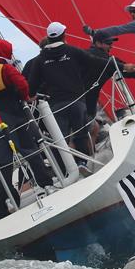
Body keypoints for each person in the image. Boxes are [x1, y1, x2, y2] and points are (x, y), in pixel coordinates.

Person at [0, 39, 53, 222]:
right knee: (30, 151)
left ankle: (5, 201)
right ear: (7, 51)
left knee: (4, 161)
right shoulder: (7, 69)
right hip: (16, 116)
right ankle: (47, 184)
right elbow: (23, 86)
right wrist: (25, 97)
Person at [27, 22, 99, 170]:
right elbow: (92, 62)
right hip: (71, 101)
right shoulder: (69, 52)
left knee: (61, 139)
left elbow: (30, 86)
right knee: (82, 132)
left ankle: (65, 168)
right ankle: (82, 162)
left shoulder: (35, 62)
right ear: (63, 37)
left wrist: (32, 95)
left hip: (49, 108)